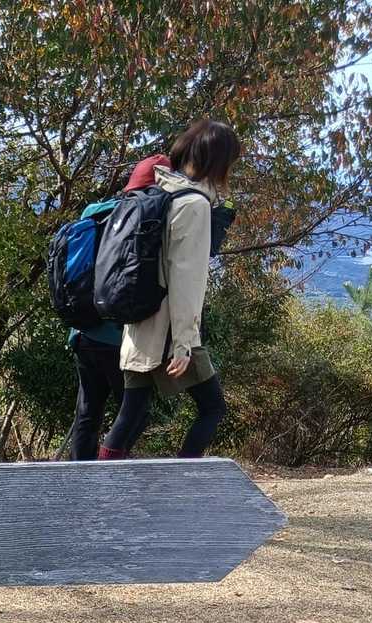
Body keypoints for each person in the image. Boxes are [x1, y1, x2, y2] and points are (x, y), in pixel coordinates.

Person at [98, 119, 241, 461]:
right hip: (169, 331)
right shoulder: (195, 205)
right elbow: (187, 279)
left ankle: (99, 484)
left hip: (139, 325)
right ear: (218, 162)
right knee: (212, 408)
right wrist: (184, 344)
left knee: (131, 413)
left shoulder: (160, 191)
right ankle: (183, 482)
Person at [69, 154, 169, 460]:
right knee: (135, 412)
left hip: (82, 329)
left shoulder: (94, 210)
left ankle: (80, 479)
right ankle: (108, 472)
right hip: (120, 335)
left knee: (88, 412)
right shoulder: (150, 218)